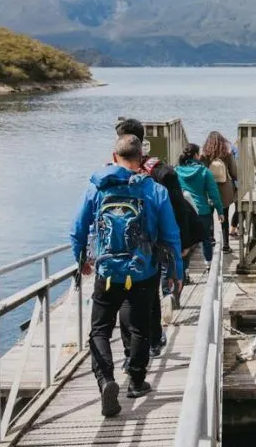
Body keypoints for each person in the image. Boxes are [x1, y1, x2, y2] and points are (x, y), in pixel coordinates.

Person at [70, 134, 184, 417]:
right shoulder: (154, 190)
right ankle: (135, 381)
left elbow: (77, 229)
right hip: (143, 271)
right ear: (142, 159)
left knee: (99, 330)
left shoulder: (96, 187)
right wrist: (176, 272)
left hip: (106, 271)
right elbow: (171, 235)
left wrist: (82, 259)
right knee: (138, 327)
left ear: (113, 156)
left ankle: (106, 379)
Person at [113, 118, 202, 367]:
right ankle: (148, 344)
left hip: (124, 248)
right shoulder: (162, 171)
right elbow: (178, 210)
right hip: (153, 245)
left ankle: (132, 351)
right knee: (147, 295)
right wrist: (181, 247)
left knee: (128, 299)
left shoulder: (112, 174)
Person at [175, 143, 225, 263]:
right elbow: (214, 194)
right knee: (206, 239)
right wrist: (220, 211)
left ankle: (185, 272)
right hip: (202, 212)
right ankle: (208, 264)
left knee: (185, 241)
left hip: (184, 211)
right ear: (196, 155)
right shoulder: (204, 172)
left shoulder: (176, 171)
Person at [201, 131, 238, 253]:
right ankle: (226, 246)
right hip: (225, 189)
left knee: (209, 214)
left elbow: (201, 171)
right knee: (225, 216)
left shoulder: (204, 155)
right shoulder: (227, 154)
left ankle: (211, 239)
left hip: (208, 188)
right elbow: (234, 172)